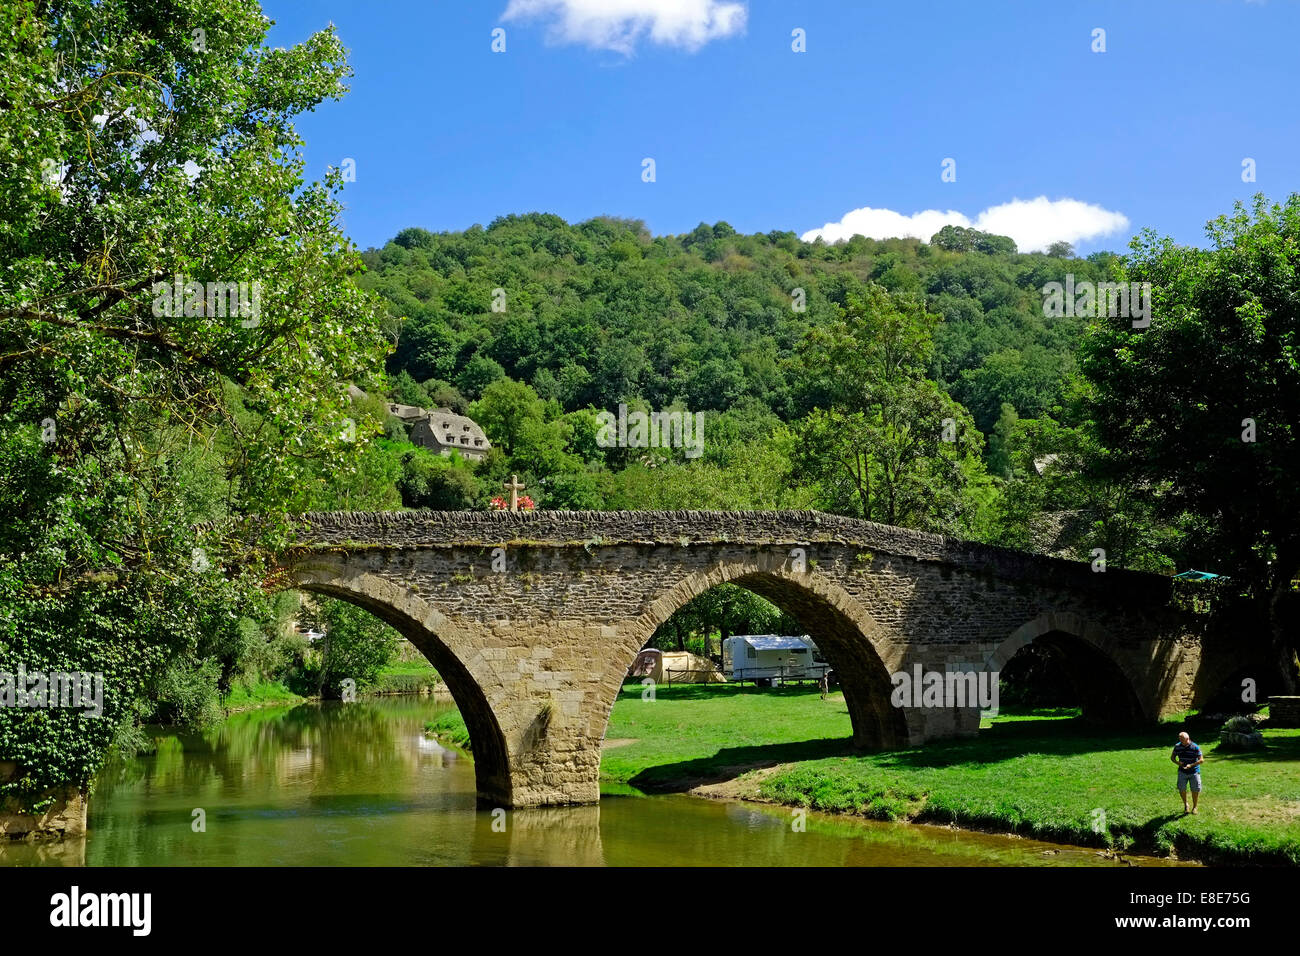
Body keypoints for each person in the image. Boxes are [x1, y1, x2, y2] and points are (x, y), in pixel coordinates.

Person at [1170, 731, 1203, 815]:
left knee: (1195, 789)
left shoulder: (1195, 747)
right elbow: (1172, 757)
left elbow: (1201, 760)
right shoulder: (1177, 746)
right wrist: (1178, 763)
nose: (1181, 742)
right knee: (1182, 789)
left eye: (1182, 740)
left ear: (1188, 739)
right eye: (1180, 740)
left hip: (1194, 771)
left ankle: (1195, 807)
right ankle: (1186, 805)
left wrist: (1191, 765)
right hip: (1182, 772)